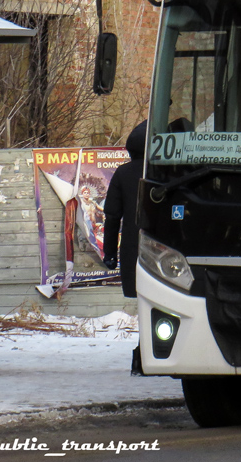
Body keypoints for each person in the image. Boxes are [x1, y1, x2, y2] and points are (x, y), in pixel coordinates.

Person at [103, 121, 146, 375]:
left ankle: (141, 356)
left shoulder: (122, 174)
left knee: (143, 301)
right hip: (166, 249)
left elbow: (112, 217)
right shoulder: (165, 171)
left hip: (133, 248)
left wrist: (110, 253)